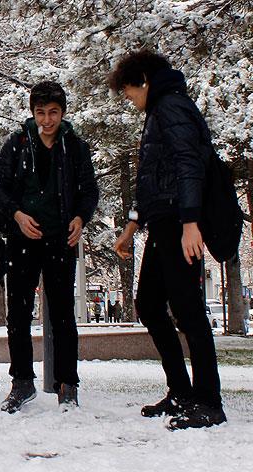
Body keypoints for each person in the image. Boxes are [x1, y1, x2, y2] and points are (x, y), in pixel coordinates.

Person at [110, 49, 226, 429]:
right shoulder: (161, 110)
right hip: (163, 222)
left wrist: (191, 222)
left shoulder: (172, 106)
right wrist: (131, 226)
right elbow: (152, 181)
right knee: (149, 305)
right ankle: (180, 390)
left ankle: (208, 401)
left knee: (189, 311)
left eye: (130, 93)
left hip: (179, 222)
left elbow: (188, 164)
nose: (131, 100)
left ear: (143, 80)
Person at [0, 81, 98, 412]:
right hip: (23, 239)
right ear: (33, 113)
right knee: (19, 313)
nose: (47, 120)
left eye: (53, 113)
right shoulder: (17, 144)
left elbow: (89, 190)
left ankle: (68, 384)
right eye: (41, 113)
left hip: (60, 239)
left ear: (62, 112)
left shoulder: (75, 146)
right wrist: (18, 215)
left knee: (63, 313)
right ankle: (22, 382)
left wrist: (81, 217)